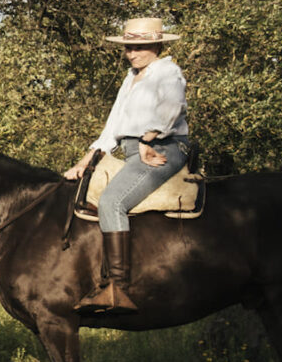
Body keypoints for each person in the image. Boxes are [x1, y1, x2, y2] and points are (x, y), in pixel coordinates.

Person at [62, 17, 192, 315]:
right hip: (135, 151)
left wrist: (148, 139)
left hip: (164, 148)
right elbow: (113, 128)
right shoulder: (129, 78)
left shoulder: (168, 72)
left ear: (157, 45)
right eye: (129, 47)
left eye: (139, 47)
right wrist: (85, 161)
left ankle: (118, 288)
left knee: (112, 200)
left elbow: (173, 109)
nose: (132, 53)